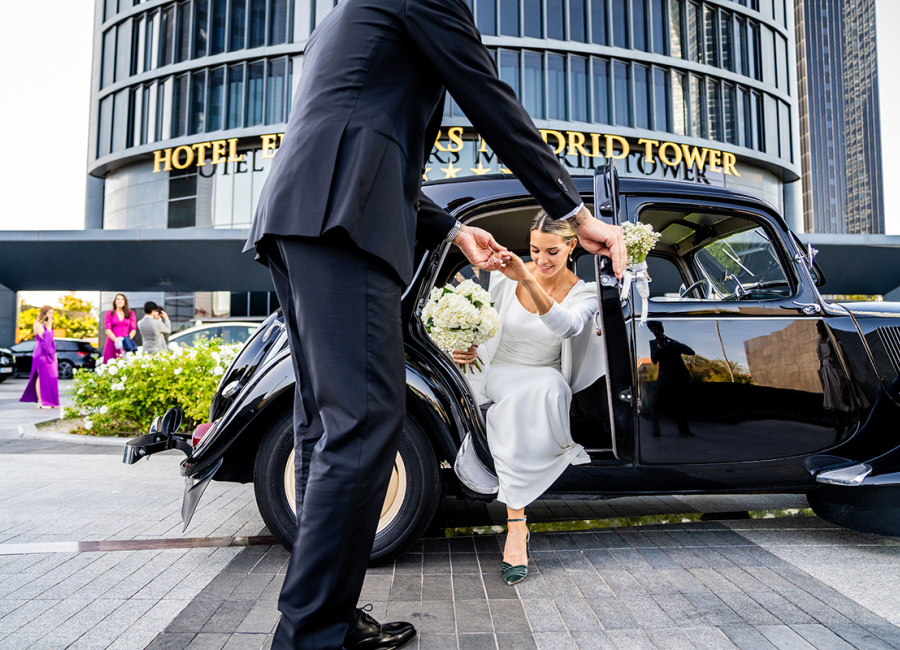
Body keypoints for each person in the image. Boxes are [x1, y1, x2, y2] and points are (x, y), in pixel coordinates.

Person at [244, 1, 626, 648]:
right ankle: (309, 635)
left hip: (304, 220)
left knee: (327, 430)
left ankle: (325, 619)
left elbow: (355, 129)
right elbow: (485, 93)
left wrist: (450, 227)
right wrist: (572, 211)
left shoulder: (345, 17)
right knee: (364, 424)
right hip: (343, 224)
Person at [453, 213, 604, 586]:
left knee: (550, 388)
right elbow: (485, 324)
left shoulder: (584, 292)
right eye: (535, 250)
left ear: (571, 246)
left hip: (543, 373)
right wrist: (468, 347)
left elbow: (568, 326)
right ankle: (516, 523)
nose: (541, 260)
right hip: (501, 370)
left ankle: (516, 513)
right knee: (526, 393)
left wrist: (527, 279)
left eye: (552, 251)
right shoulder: (509, 277)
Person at [646, 321, 695, 437]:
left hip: (680, 377)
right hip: (664, 379)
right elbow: (654, 360)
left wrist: (673, 342)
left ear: (662, 329)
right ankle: (655, 429)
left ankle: (683, 429)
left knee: (680, 405)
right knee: (656, 404)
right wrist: (659, 346)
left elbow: (691, 352)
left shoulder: (673, 342)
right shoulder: (653, 343)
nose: (655, 331)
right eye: (653, 329)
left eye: (657, 329)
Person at [20, 305, 59, 409]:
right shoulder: (38, 325)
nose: (51, 316)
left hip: (50, 353)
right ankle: (41, 401)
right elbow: (45, 339)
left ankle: (50, 401)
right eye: (50, 313)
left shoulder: (48, 325)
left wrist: (54, 354)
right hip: (41, 353)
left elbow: (51, 341)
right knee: (41, 376)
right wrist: (49, 327)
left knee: (51, 376)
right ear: (44, 313)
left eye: (53, 314)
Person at [103, 293, 136, 363]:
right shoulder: (109, 313)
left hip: (125, 345)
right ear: (115, 302)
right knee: (110, 364)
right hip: (112, 343)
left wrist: (126, 341)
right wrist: (117, 341)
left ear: (125, 302)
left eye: (122, 299)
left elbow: (133, 330)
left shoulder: (131, 314)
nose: (120, 301)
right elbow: (107, 330)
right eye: (118, 299)